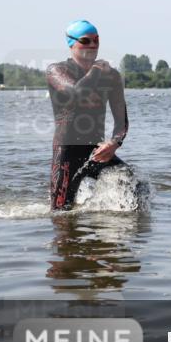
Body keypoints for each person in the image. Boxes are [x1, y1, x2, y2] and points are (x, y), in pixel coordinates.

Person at [47, 20, 129, 210]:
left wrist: (115, 142)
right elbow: (76, 94)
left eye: (96, 40)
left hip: (96, 151)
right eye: (85, 40)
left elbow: (122, 121)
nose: (92, 45)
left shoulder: (112, 76)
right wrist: (96, 70)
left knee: (135, 186)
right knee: (61, 214)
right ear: (71, 43)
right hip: (66, 152)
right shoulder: (56, 71)